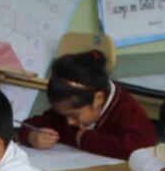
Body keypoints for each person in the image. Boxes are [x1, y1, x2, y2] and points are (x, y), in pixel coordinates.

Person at [17, 49, 157, 160]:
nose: (69, 122)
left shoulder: (127, 110)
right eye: (63, 115)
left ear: (98, 99)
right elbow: (30, 124)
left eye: (73, 115)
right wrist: (32, 136)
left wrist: (85, 139)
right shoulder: (70, 107)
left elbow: (140, 148)